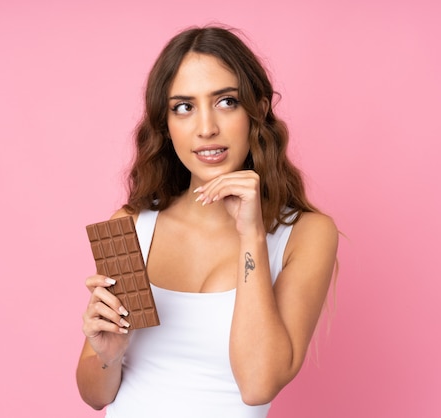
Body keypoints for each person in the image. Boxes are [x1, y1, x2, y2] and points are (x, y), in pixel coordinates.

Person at [76, 25, 338, 417]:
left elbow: (257, 384)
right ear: (166, 125)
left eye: (226, 102)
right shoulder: (131, 226)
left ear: (259, 109)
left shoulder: (306, 234)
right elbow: (95, 396)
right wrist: (108, 355)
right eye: (184, 107)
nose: (206, 128)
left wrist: (251, 234)